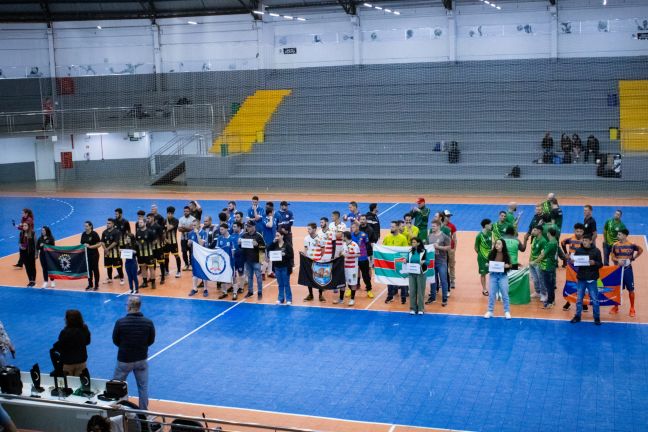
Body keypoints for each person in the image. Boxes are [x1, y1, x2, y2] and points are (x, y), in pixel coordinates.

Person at [112, 296, 155, 410]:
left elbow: (115, 340)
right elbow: (151, 340)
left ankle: (119, 411)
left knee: (117, 386)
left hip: (124, 359)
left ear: (129, 307)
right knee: (143, 388)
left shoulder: (120, 322)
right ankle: (143, 415)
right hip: (141, 359)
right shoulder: (148, 322)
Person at [570, 234, 602, 325]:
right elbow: (576, 263)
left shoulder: (596, 251)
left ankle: (597, 317)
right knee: (579, 299)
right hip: (581, 278)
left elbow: (601, 264)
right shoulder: (578, 250)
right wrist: (573, 262)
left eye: (586, 240)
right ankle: (577, 316)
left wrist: (594, 263)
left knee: (595, 299)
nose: (584, 242)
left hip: (592, 279)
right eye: (583, 240)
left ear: (591, 241)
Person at [610, 228, 643, 317]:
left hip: (627, 270)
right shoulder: (615, 245)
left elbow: (641, 250)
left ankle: (632, 308)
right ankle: (615, 307)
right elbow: (612, 256)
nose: (617, 236)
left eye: (619, 234)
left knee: (631, 289)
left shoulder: (632, 245)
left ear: (625, 235)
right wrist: (617, 260)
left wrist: (633, 258)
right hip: (618, 270)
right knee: (617, 289)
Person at [52, 309, 91, 376]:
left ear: (67, 320)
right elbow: (87, 342)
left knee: (69, 384)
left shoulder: (64, 332)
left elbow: (60, 347)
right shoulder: (84, 329)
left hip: (68, 363)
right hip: (81, 362)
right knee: (81, 383)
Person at [484, 239, 512, 319]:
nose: (497, 245)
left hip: (503, 276)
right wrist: (487, 264)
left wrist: (507, 266)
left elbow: (510, 265)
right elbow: (488, 262)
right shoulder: (492, 253)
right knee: (492, 294)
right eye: (496, 243)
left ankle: (507, 311)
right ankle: (490, 311)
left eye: (499, 244)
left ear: (502, 245)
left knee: (505, 294)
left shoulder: (506, 254)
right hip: (493, 275)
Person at [561, 223, 586, 311]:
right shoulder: (571, 239)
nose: (579, 233)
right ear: (574, 231)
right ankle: (568, 301)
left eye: (580, 231)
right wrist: (566, 254)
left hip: (582, 267)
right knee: (570, 283)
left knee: (582, 284)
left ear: (583, 232)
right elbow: (562, 242)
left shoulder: (585, 241)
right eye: (577, 231)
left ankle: (584, 303)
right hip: (571, 267)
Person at [382, 221, 409, 304]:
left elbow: (405, 251)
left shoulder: (403, 238)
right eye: (391, 226)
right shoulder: (387, 237)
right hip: (390, 263)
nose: (391, 228)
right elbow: (383, 248)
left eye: (393, 227)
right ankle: (390, 296)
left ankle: (403, 297)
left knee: (402, 280)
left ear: (397, 227)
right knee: (389, 280)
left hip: (400, 264)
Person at [425, 220, 451, 306]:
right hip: (432, 261)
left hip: (441, 261)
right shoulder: (430, 236)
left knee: (443, 280)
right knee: (432, 280)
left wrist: (438, 247)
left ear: (439, 226)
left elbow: (449, 247)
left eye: (434, 226)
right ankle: (433, 297)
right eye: (432, 226)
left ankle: (444, 299)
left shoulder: (444, 236)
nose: (432, 228)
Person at [533, 227, 559, 309]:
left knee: (548, 286)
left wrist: (534, 262)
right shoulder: (555, 242)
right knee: (551, 285)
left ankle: (549, 302)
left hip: (547, 266)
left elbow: (543, 254)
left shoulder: (551, 243)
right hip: (551, 265)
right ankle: (552, 300)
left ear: (549, 233)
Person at [240, 221, 265, 299]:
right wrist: (239, 243)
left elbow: (263, 248)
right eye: (247, 226)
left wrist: (257, 245)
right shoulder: (244, 236)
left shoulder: (259, 236)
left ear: (254, 227)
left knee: (258, 277)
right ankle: (250, 291)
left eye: (249, 226)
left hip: (256, 260)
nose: (248, 227)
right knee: (250, 277)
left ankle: (260, 292)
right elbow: (241, 247)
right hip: (248, 260)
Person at [334, 232, 360, 306]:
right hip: (344, 267)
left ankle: (352, 299)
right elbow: (341, 253)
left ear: (345, 237)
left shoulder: (354, 245)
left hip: (352, 268)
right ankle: (341, 299)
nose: (341, 238)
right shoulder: (344, 244)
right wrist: (340, 254)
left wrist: (349, 255)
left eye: (342, 236)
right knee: (342, 283)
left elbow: (358, 254)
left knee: (353, 284)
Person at [268, 230, 294, 305]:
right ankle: (281, 298)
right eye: (276, 235)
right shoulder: (274, 244)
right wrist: (273, 242)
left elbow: (291, 256)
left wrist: (284, 254)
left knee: (286, 283)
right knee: (280, 284)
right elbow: (268, 249)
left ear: (282, 236)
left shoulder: (287, 245)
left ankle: (289, 299)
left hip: (285, 267)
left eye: (278, 235)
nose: (276, 237)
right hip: (277, 267)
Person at [303, 223, 325, 302]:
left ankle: (320, 295)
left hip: (318, 261)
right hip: (309, 262)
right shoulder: (306, 238)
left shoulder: (320, 238)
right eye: (308, 229)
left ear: (315, 229)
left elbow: (323, 250)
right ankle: (310, 294)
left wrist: (319, 258)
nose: (308, 230)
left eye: (309, 229)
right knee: (309, 278)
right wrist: (305, 256)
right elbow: (305, 249)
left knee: (320, 279)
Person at [350, 221, 373, 298]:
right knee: (352, 275)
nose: (352, 229)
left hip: (363, 258)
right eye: (351, 227)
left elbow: (368, 245)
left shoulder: (363, 235)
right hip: (354, 259)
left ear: (357, 227)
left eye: (353, 227)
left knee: (365, 275)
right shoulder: (351, 235)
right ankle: (350, 289)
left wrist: (367, 255)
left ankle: (369, 290)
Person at [406, 237, 428, 315]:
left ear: (418, 243)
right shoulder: (409, 252)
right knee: (412, 291)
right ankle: (413, 308)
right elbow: (407, 260)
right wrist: (405, 261)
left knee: (420, 291)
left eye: (414, 242)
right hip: (412, 274)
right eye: (412, 242)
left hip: (421, 274)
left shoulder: (423, 251)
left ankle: (421, 309)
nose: (413, 244)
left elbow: (428, 261)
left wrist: (424, 262)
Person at [216, 223, 236, 300]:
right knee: (222, 277)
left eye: (222, 229)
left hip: (231, 262)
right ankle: (224, 292)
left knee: (234, 277)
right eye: (220, 229)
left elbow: (233, 252)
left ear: (227, 229)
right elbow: (217, 250)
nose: (220, 231)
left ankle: (235, 293)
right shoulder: (219, 238)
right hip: (222, 262)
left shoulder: (232, 239)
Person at [102, 218, 124, 285]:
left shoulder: (117, 232)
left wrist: (107, 249)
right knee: (108, 266)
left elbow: (115, 242)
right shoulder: (104, 232)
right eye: (107, 223)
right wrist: (105, 249)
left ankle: (121, 278)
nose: (108, 224)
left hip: (115, 253)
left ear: (113, 224)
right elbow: (102, 242)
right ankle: (110, 279)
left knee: (118, 266)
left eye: (109, 223)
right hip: (106, 253)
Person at [135, 219, 156, 290]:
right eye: (139, 222)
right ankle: (145, 282)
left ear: (145, 223)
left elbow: (155, 241)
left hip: (149, 254)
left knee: (151, 268)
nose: (139, 224)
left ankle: (153, 283)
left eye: (141, 222)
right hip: (141, 254)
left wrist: (149, 246)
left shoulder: (149, 231)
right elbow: (136, 241)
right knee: (143, 268)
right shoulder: (137, 232)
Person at [527, 225, 546, 302]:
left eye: (534, 230)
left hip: (538, 263)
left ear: (539, 231)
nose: (532, 232)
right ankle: (537, 292)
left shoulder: (543, 241)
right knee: (534, 279)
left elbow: (543, 254)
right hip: (532, 262)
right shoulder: (534, 238)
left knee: (541, 279)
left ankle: (544, 294)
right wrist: (530, 261)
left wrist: (535, 261)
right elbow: (532, 251)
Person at [475, 219, 492, 296]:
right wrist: (482, 254)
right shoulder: (479, 236)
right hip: (482, 258)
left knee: (493, 272)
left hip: (490, 257)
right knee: (483, 273)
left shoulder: (490, 233)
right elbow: (476, 248)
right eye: (490, 224)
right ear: (486, 225)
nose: (491, 226)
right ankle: (484, 289)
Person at [163, 206, 182, 278]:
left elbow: (169, 228)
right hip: (166, 242)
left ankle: (179, 271)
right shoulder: (164, 221)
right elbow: (162, 231)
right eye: (169, 213)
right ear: (167, 213)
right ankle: (166, 270)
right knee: (166, 256)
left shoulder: (176, 220)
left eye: (171, 213)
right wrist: (165, 239)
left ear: (173, 214)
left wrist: (165, 225)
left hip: (173, 242)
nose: (170, 215)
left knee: (176, 256)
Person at [121, 226, 139, 294]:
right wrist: (121, 250)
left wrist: (132, 251)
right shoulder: (126, 245)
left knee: (134, 276)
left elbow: (137, 253)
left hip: (133, 262)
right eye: (126, 238)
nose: (127, 239)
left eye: (128, 238)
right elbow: (124, 251)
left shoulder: (135, 245)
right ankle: (131, 288)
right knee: (129, 276)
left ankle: (136, 289)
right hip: (127, 262)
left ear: (131, 239)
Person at [19, 221, 37, 287]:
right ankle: (30, 280)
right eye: (23, 226)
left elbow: (35, 244)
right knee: (27, 267)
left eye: (25, 225)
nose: (24, 227)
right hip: (24, 253)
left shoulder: (33, 233)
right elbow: (19, 242)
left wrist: (36, 253)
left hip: (31, 253)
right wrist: (21, 246)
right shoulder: (21, 233)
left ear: (28, 226)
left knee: (32, 267)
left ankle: (34, 281)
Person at [178, 206, 196, 270]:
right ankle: (186, 264)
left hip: (191, 238)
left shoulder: (193, 219)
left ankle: (191, 264)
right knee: (184, 252)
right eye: (184, 211)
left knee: (191, 252)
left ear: (189, 211)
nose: (185, 212)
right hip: (183, 238)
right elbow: (179, 229)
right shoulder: (181, 219)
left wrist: (184, 227)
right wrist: (188, 228)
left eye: (187, 211)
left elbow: (193, 229)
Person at [260, 207, 276, 279]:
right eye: (273, 211)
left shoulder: (274, 219)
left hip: (273, 241)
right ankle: (262, 273)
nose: (274, 212)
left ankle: (269, 272)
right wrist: (271, 218)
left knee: (271, 257)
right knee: (267, 258)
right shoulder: (264, 219)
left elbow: (275, 228)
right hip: (267, 241)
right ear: (270, 213)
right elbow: (270, 225)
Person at [444, 210, 458, 289]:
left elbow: (455, 238)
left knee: (451, 265)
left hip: (450, 249)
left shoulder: (452, 226)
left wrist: (454, 249)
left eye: (449, 216)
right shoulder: (441, 225)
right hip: (442, 249)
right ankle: (443, 280)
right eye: (447, 216)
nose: (449, 217)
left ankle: (452, 280)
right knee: (443, 265)